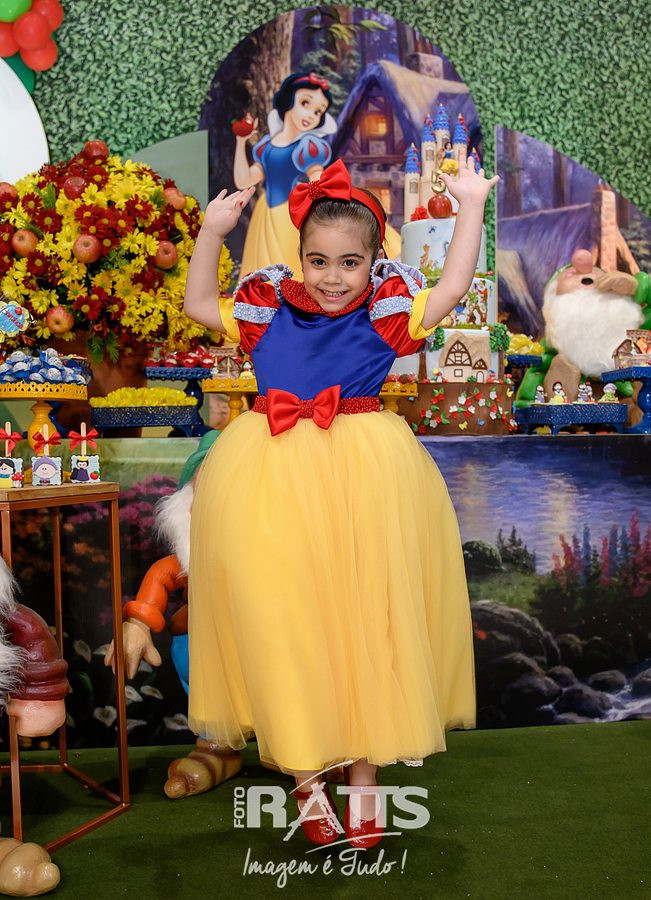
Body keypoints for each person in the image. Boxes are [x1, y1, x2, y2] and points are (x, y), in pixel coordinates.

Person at [184, 157, 499, 848]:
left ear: (374, 262)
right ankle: (305, 775)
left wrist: (471, 203)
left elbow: (453, 286)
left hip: (365, 471)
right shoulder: (268, 307)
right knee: (286, 618)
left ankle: (363, 777)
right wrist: (212, 232)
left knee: (365, 619)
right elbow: (199, 305)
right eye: (318, 260)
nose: (332, 277)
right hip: (270, 472)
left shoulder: (387, 313)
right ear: (299, 257)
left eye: (350, 263)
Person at [234, 71, 335, 278]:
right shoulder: (266, 146)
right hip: (265, 215)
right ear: (288, 100)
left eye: (318, 112)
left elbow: (318, 181)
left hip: (292, 215)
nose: (311, 115)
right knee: (263, 273)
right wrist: (240, 142)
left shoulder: (308, 146)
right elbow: (243, 180)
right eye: (305, 103)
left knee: (291, 269)